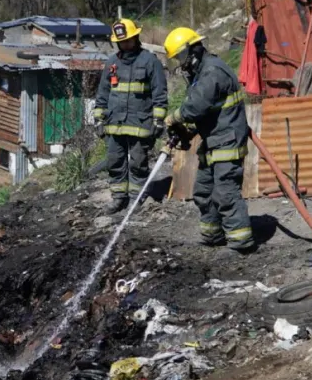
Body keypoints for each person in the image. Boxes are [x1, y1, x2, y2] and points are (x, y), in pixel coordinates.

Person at [163, 27, 254, 252]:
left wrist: (174, 117)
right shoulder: (200, 73)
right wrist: (187, 131)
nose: (181, 63)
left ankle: (241, 242)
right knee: (203, 190)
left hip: (227, 140)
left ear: (192, 50)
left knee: (225, 192)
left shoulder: (212, 71)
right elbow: (206, 110)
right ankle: (212, 236)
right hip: (213, 140)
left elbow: (195, 107)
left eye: (180, 57)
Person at [94, 18, 168, 214]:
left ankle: (137, 198)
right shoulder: (111, 63)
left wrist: (158, 120)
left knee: (138, 162)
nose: (125, 44)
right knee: (115, 161)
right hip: (114, 123)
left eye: (128, 40)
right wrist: (98, 119)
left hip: (140, 123)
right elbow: (103, 93)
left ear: (136, 37)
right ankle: (118, 198)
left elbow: (159, 93)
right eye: (121, 41)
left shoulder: (150, 61)